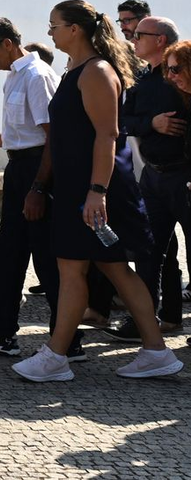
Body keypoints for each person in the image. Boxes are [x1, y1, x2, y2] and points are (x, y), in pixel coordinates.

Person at [13, 1, 180, 381]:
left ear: (75, 29)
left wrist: (96, 192)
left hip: (95, 188)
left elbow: (108, 135)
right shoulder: (76, 69)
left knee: (75, 267)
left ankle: (56, 356)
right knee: (113, 267)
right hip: (80, 186)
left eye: (54, 25)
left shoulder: (97, 71)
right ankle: (155, 351)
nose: (49, 32)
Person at [0, 19, 69, 356]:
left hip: (37, 170)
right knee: (9, 254)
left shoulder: (36, 76)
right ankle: (2, 331)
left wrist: (38, 187)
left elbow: (52, 136)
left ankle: (67, 341)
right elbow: (17, 135)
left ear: (7, 43)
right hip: (19, 167)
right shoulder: (14, 76)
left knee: (46, 259)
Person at [117, 18, 187, 338]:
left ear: (159, 40)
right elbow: (124, 121)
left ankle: (171, 316)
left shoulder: (181, 76)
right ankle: (147, 320)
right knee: (149, 250)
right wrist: (152, 123)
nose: (132, 39)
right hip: (153, 176)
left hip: (183, 175)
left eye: (139, 35)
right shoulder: (141, 78)